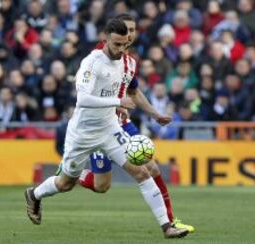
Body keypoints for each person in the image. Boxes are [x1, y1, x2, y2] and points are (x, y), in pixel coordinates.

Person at [25, 19, 188, 239]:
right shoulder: (92, 63)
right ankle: (34, 195)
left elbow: (122, 90)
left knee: (142, 170)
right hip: (82, 133)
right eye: (116, 45)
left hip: (110, 129)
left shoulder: (128, 63)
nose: (121, 49)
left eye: (124, 44)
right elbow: (82, 99)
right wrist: (116, 103)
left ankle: (167, 226)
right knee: (65, 184)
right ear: (105, 40)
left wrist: (146, 112)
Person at [71, 14, 195, 233]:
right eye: (126, 30)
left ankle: (169, 222)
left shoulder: (129, 62)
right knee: (101, 186)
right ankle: (72, 174)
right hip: (99, 126)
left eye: (133, 30)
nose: (130, 35)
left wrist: (155, 114)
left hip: (122, 124)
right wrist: (112, 103)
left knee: (150, 168)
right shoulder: (98, 59)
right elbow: (87, 94)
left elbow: (134, 92)